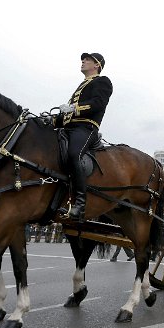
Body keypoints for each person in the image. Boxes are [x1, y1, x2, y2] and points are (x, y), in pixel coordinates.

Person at [53, 52, 112, 222]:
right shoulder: (82, 84)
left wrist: (74, 108)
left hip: (86, 128)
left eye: (88, 59)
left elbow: (98, 103)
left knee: (74, 155)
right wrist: (51, 120)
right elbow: (67, 115)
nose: (83, 61)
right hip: (69, 128)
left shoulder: (103, 81)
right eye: (83, 59)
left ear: (97, 65)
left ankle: (79, 203)